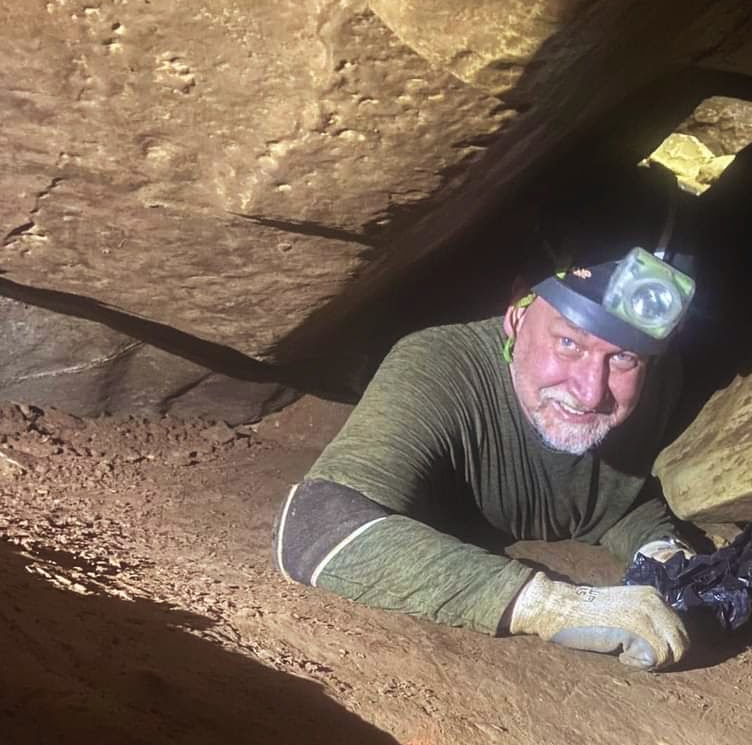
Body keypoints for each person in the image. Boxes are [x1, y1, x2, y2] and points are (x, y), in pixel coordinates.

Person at [273, 178, 705, 671]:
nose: (591, 390)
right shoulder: (438, 366)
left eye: (625, 356)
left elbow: (610, 497)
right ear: (517, 312)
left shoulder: (655, 384)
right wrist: (548, 606)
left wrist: (663, 554)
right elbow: (315, 528)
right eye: (569, 343)